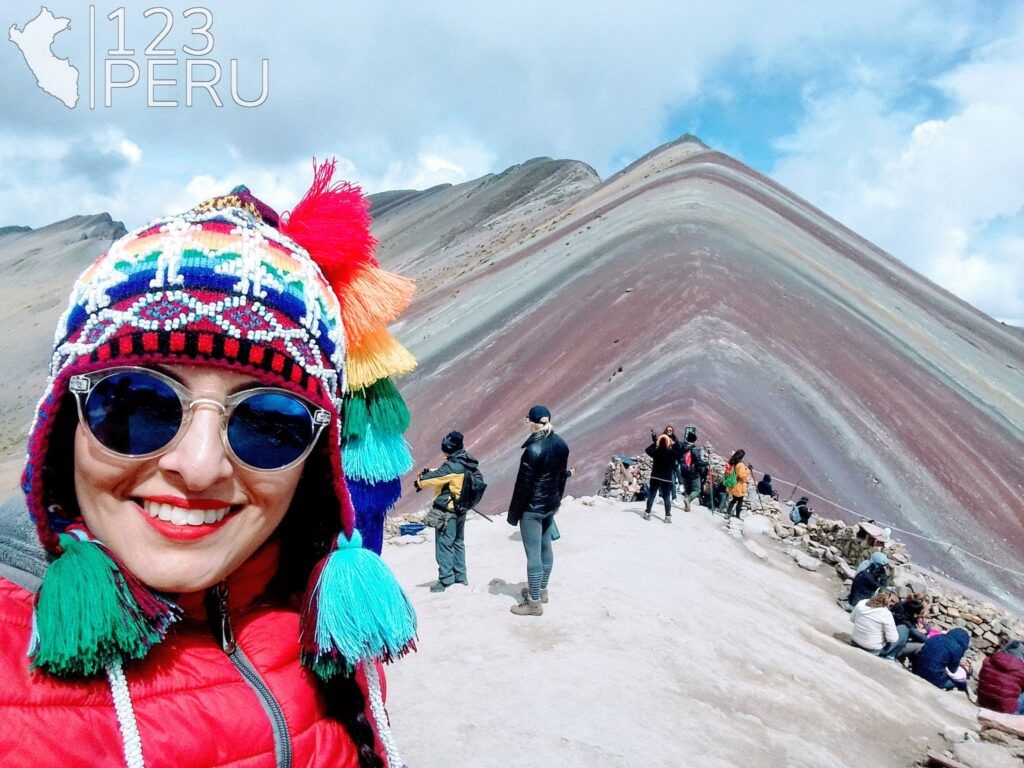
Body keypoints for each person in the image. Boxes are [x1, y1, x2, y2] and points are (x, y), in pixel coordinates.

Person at [0, 174, 420, 767]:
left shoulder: (332, 644)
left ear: (315, 460)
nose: (199, 469)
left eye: (269, 424)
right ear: (64, 422)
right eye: (139, 405)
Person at [507, 406, 573, 617]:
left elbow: (522, 486)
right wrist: (556, 502)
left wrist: (514, 515)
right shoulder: (561, 444)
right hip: (549, 505)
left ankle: (533, 603)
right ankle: (542, 591)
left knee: (533, 554)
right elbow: (561, 477)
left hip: (532, 509)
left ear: (532, 423)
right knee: (546, 546)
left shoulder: (532, 450)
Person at [415, 431, 480, 592]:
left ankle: (445, 579)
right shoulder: (467, 461)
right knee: (458, 542)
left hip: (448, 512)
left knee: (444, 545)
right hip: (461, 510)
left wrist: (420, 480)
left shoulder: (452, 466)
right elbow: (447, 473)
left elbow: (431, 479)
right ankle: (461, 576)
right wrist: (433, 470)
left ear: (449, 449)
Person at [977, 639, 1024, 714]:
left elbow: (981, 677)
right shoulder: (1021, 669)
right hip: (1005, 709)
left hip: (983, 702)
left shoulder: (989, 660)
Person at [851, 591, 902, 657]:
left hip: (855, 641)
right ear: (888, 601)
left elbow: (852, 619)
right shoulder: (886, 614)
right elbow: (893, 639)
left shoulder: (861, 603)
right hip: (872, 648)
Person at [644, 433, 677, 522]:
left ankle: (647, 513)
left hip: (655, 477)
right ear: (668, 442)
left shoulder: (656, 452)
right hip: (667, 478)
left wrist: (655, 443)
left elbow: (647, 450)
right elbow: (679, 452)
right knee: (666, 497)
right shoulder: (671, 453)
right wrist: (674, 444)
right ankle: (667, 517)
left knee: (652, 495)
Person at [723, 450, 750, 518]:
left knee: (734, 500)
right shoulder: (741, 464)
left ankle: (728, 513)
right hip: (739, 486)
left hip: (733, 484)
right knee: (739, 501)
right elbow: (743, 477)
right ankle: (737, 516)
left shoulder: (733, 462)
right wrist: (748, 470)